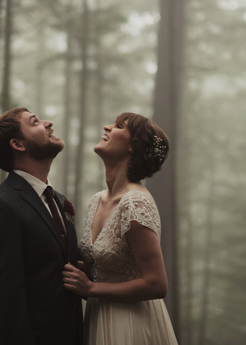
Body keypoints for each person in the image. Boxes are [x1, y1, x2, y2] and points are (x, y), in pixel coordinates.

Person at [62, 112, 178, 345]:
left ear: (132, 147)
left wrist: (91, 288)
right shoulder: (97, 200)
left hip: (131, 323)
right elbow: (104, 264)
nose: (106, 127)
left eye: (118, 126)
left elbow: (156, 284)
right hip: (98, 316)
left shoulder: (135, 203)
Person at [0, 107, 83, 345]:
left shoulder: (59, 201)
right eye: (35, 122)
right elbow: (4, 300)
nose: (48, 123)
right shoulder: (0, 206)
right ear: (18, 144)